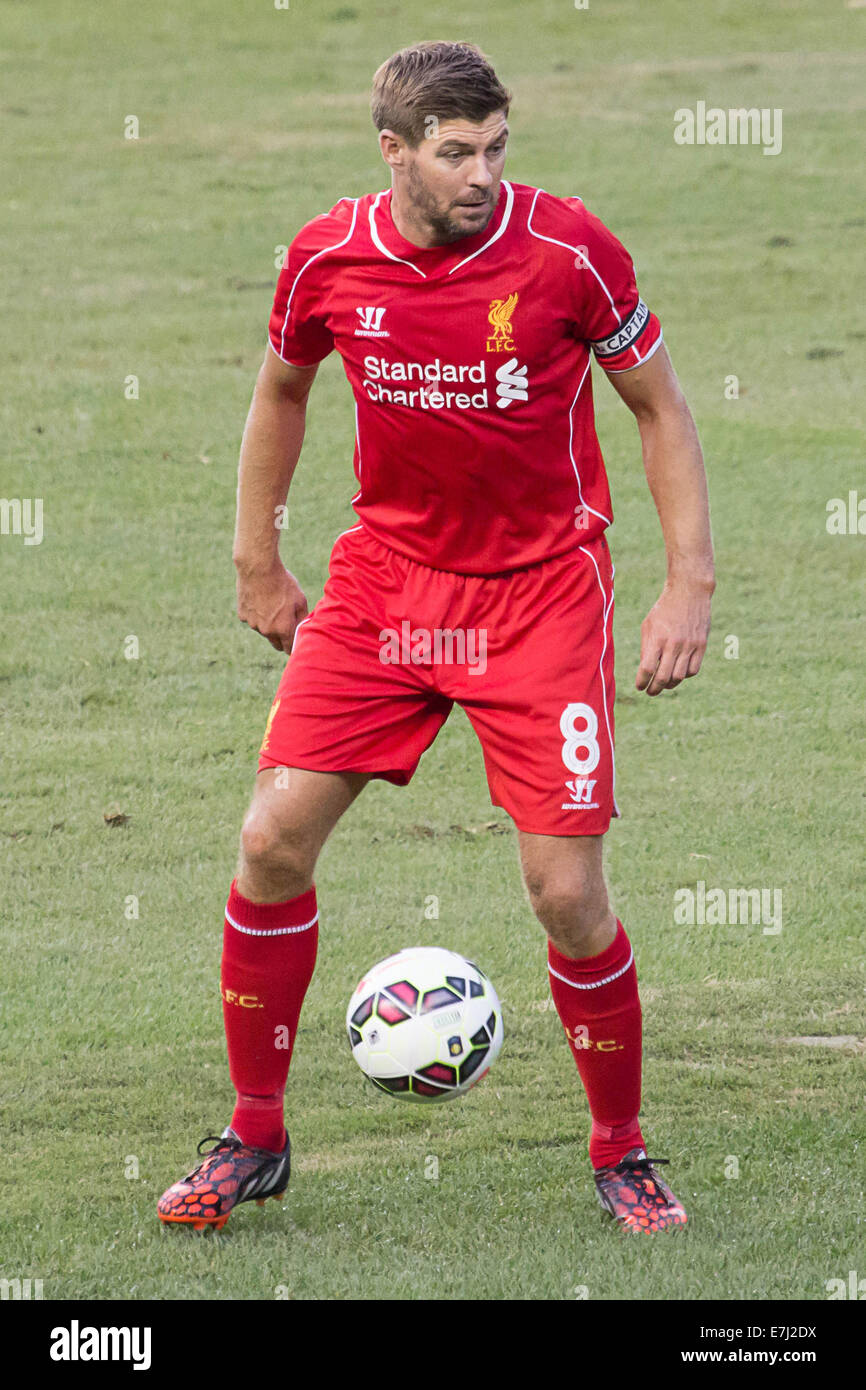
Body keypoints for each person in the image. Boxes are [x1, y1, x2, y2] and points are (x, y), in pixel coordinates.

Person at [158, 40, 714, 1236]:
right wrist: (257, 557)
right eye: (455, 153)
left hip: (538, 595)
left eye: (496, 146)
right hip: (385, 587)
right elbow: (282, 390)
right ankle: (253, 1133)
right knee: (269, 841)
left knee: (564, 894)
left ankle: (620, 1151)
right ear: (394, 152)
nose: (482, 174)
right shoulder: (326, 255)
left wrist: (687, 584)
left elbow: (659, 408)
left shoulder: (569, 251)